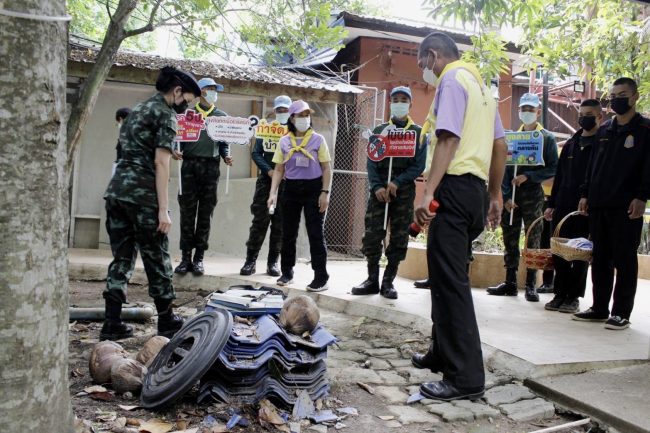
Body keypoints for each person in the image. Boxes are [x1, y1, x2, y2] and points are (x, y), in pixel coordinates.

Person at [410, 32, 507, 401]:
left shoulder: (451, 77)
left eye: (423, 65)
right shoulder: (482, 87)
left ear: (434, 55)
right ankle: (441, 351)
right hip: (475, 193)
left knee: (451, 284)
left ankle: (465, 378)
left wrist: (429, 190)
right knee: (445, 275)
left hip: (453, 188)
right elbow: (500, 145)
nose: (425, 72)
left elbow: (448, 138)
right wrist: (495, 193)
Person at [101, 66, 201, 341]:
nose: (185, 106)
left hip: (117, 193)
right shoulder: (165, 114)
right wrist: (163, 209)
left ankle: (111, 323)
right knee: (156, 257)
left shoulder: (137, 111)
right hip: (142, 196)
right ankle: (167, 320)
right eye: (187, 100)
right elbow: (160, 163)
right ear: (177, 91)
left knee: (121, 258)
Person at [573, 77, 650, 330]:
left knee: (624, 259)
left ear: (635, 96)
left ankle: (621, 312)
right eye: (613, 94)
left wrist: (642, 196)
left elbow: (648, 169)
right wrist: (585, 194)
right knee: (601, 257)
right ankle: (599, 307)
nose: (616, 99)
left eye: (622, 94)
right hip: (599, 203)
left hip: (627, 206)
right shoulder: (604, 130)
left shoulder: (645, 130)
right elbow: (593, 167)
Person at [351, 86, 425, 299]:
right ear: (390, 103)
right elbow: (372, 162)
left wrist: (398, 182)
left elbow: (418, 165)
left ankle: (388, 282)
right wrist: (377, 187)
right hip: (380, 190)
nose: (399, 103)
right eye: (395, 99)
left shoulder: (418, 133)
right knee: (373, 233)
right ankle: (371, 280)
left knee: (400, 235)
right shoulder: (379, 131)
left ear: (410, 104)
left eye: (404, 99)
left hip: (403, 191)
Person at [487, 93, 558, 302]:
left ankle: (530, 284)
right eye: (523, 109)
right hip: (511, 195)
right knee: (509, 236)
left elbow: (554, 167)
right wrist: (506, 196)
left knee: (533, 237)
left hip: (533, 194)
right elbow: (503, 167)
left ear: (538, 112)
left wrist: (529, 176)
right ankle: (509, 282)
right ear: (519, 111)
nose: (527, 113)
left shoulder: (547, 138)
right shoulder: (510, 138)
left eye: (531, 109)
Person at [543, 99, 603, 313]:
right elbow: (559, 176)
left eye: (589, 114)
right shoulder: (570, 143)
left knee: (579, 252)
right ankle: (559, 293)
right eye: (581, 113)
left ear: (599, 117)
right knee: (559, 250)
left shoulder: (602, 143)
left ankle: (573, 296)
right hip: (562, 204)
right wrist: (551, 204)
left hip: (586, 207)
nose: (583, 118)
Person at [267, 100, 332, 292]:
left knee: (315, 233)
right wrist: (273, 193)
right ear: (292, 118)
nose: (305, 118)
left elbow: (326, 168)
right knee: (288, 233)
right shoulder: (284, 141)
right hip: (291, 189)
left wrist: (325, 193)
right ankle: (287, 272)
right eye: (300, 115)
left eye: (307, 115)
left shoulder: (318, 139)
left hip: (314, 188)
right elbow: (279, 169)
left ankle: (321, 277)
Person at [173, 77, 233, 276]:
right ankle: (185, 258)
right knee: (187, 213)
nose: (215, 92)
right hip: (189, 165)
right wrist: (176, 150)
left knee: (205, 214)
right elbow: (178, 138)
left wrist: (226, 155)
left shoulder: (220, 116)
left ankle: (199, 258)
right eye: (211, 89)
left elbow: (224, 142)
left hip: (210, 167)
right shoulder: (187, 114)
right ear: (202, 91)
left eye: (216, 89)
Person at [240, 95, 292, 276]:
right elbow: (256, 153)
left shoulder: (296, 133)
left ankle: (273, 263)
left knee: (280, 224)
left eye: (286, 110)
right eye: (280, 110)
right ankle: (250, 261)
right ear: (275, 111)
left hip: (288, 183)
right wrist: (269, 171)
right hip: (265, 181)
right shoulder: (267, 130)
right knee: (259, 222)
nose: (283, 113)